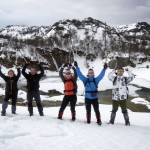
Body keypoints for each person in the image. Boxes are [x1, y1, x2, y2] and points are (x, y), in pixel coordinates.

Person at [74, 61, 107, 125]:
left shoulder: (96, 80)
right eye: (89, 73)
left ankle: (98, 120)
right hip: (87, 98)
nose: (91, 74)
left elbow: (101, 75)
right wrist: (77, 67)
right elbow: (80, 74)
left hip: (95, 98)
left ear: (93, 73)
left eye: (92, 73)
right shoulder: (85, 80)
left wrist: (104, 69)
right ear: (88, 74)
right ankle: (88, 120)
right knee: (88, 110)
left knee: (96, 110)